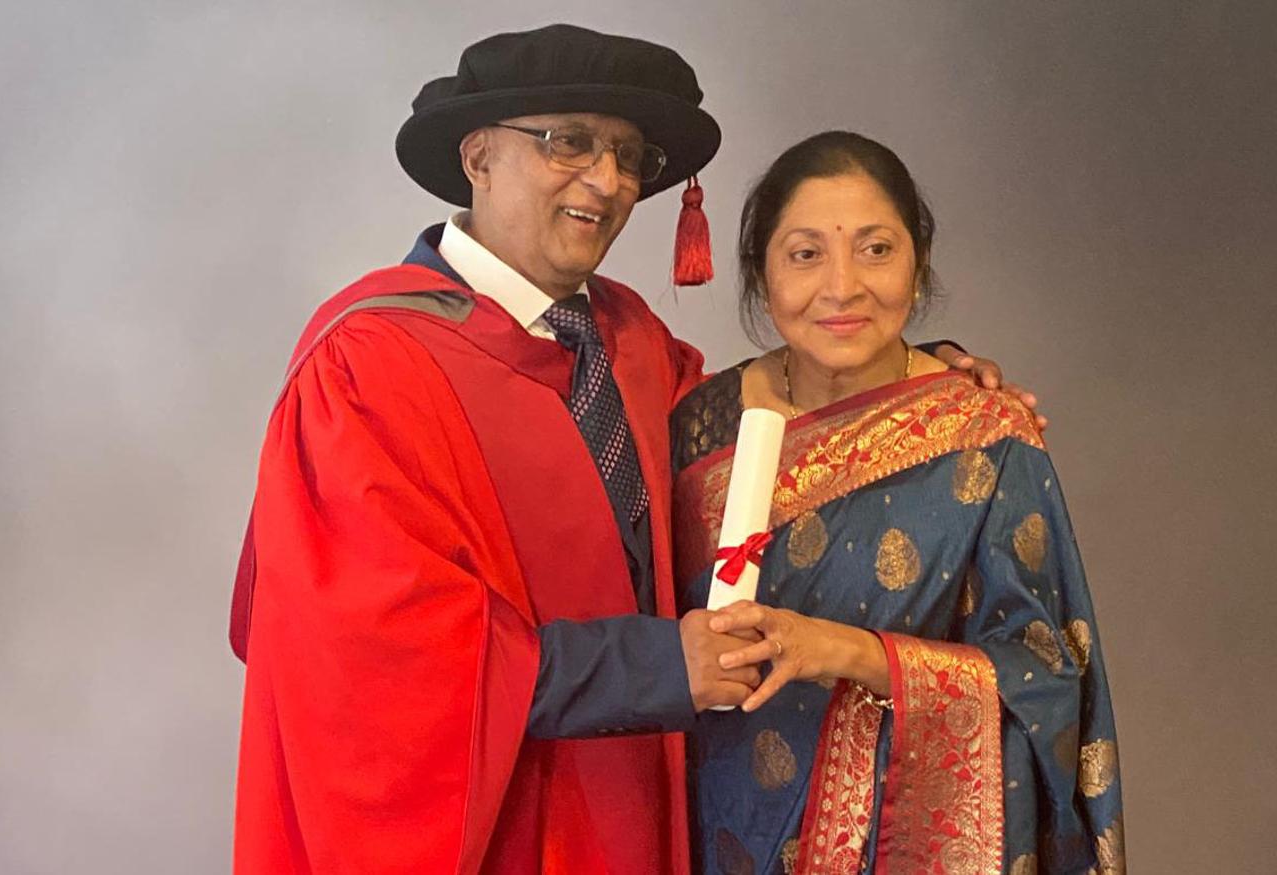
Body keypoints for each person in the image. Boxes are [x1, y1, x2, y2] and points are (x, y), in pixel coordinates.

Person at [229, 25, 1033, 874]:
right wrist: (663, 666)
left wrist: (907, 371)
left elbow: (762, 429)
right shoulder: (368, 367)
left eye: (628, 155)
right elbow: (379, 656)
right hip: (490, 832)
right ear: (478, 158)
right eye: (569, 142)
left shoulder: (628, 338)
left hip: (633, 815)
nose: (608, 181)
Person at [670, 131, 1122, 874]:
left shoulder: (983, 431)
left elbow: (1042, 677)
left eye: (876, 249)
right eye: (805, 254)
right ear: (761, 273)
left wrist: (848, 652)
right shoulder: (698, 425)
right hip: (717, 830)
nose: (843, 286)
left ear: (918, 263)